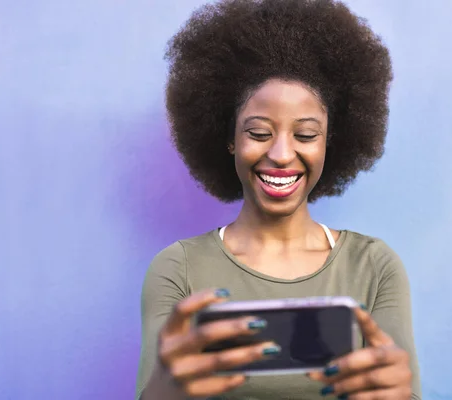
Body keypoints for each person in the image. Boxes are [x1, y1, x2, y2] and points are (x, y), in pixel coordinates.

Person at [136, 0, 421, 399]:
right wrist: (164, 391)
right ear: (229, 138)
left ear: (330, 143)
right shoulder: (178, 269)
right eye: (258, 133)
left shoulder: (374, 267)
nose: (282, 154)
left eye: (305, 135)